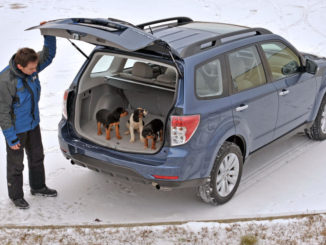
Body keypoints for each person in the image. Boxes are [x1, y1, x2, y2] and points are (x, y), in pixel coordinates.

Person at [0, 33, 57, 209]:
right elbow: (2, 111)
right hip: (16, 129)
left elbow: (47, 56)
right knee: (16, 165)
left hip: (33, 124)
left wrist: (49, 35)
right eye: (32, 69)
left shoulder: (31, 66)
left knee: (37, 157)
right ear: (20, 66)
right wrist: (11, 137)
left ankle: (38, 187)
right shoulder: (5, 81)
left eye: (35, 68)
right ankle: (16, 196)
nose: (35, 71)